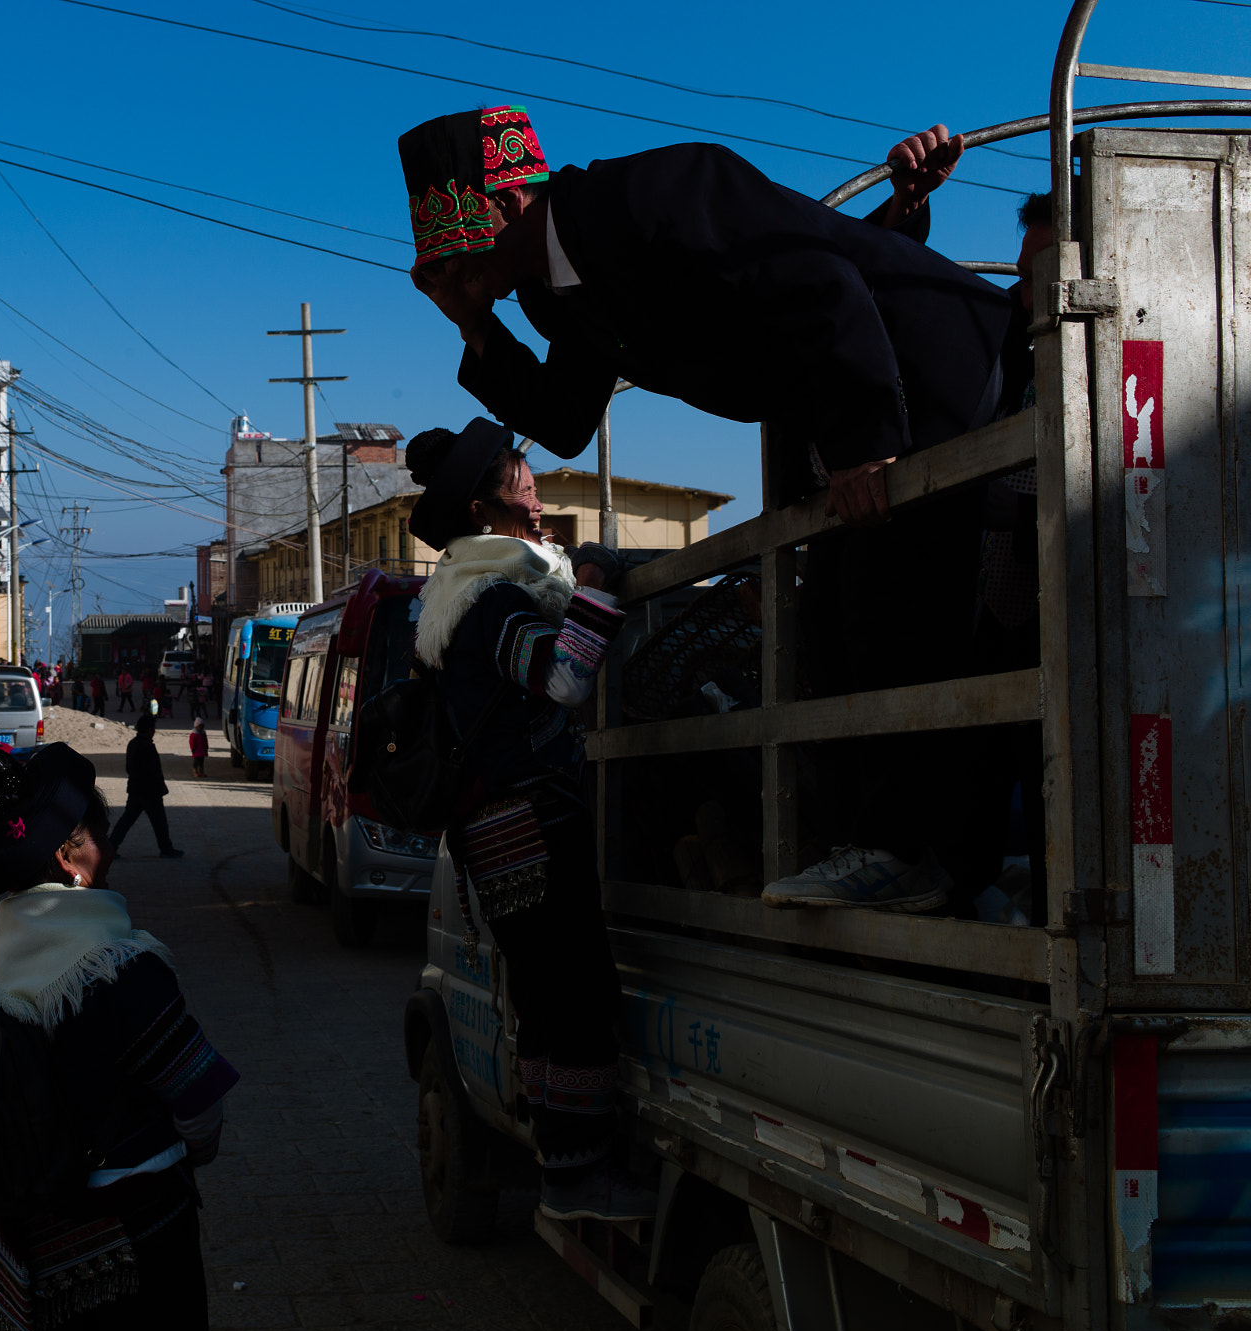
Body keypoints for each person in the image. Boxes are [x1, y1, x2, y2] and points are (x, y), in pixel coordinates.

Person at [400, 107, 1012, 912]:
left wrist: (865, 440)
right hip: (852, 399)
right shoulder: (555, 291)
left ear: (512, 208)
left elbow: (819, 278)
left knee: (887, 605)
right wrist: (475, 324)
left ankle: (922, 859)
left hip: (922, 372)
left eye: (463, 265)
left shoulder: (650, 194)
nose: (461, 282)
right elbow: (564, 417)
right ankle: (900, 857)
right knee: (825, 624)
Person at [405, 418, 647, 1221]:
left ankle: (561, 1161)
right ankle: (579, 1174)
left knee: (546, 998)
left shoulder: (451, 595)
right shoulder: (495, 596)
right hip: (534, 828)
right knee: (576, 997)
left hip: (494, 838)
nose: (533, 480)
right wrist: (602, 584)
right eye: (518, 474)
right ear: (485, 508)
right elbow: (565, 678)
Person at [0, 744, 235, 1331]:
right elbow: (197, 1106)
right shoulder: (118, 967)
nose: (109, 848)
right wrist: (194, 1154)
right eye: (102, 833)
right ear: (70, 856)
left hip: (38, 1239)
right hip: (136, 1232)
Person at [109, 711, 184, 859]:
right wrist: (160, 785)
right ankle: (166, 848)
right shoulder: (147, 746)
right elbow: (153, 770)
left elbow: (129, 768)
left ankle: (110, 847)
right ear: (149, 729)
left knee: (126, 820)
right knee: (159, 822)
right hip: (150, 792)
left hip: (136, 789)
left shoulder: (133, 744)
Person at [187, 714, 209, 780]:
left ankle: (201, 771)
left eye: (202, 726)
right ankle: (195, 770)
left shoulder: (203, 733)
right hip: (196, 750)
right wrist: (192, 748)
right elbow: (192, 742)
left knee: (202, 761)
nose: (201, 728)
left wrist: (206, 748)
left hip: (202, 750)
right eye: (200, 726)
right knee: (196, 761)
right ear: (196, 726)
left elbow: (205, 741)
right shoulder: (193, 735)